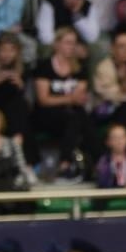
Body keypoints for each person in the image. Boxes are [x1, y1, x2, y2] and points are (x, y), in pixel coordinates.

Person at [32, 26, 96, 182]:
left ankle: (88, 165)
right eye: (67, 42)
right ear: (57, 44)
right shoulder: (44, 66)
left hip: (71, 115)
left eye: (74, 43)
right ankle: (68, 165)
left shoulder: (80, 67)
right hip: (46, 115)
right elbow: (43, 99)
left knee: (82, 120)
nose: (71, 46)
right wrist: (69, 99)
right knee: (76, 118)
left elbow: (80, 97)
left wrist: (66, 99)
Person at [37, 0, 101, 52]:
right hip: (55, 44)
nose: (73, 0)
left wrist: (76, 14)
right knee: (46, 49)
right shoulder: (49, 4)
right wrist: (68, 47)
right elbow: (46, 37)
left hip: (78, 45)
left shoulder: (89, 6)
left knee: (97, 48)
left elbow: (92, 37)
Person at [93, 121, 126, 188]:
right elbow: (102, 182)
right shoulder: (103, 161)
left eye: (123, 137)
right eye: (115, 138)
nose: (120, 141)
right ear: (108, 142)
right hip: (110, 196)